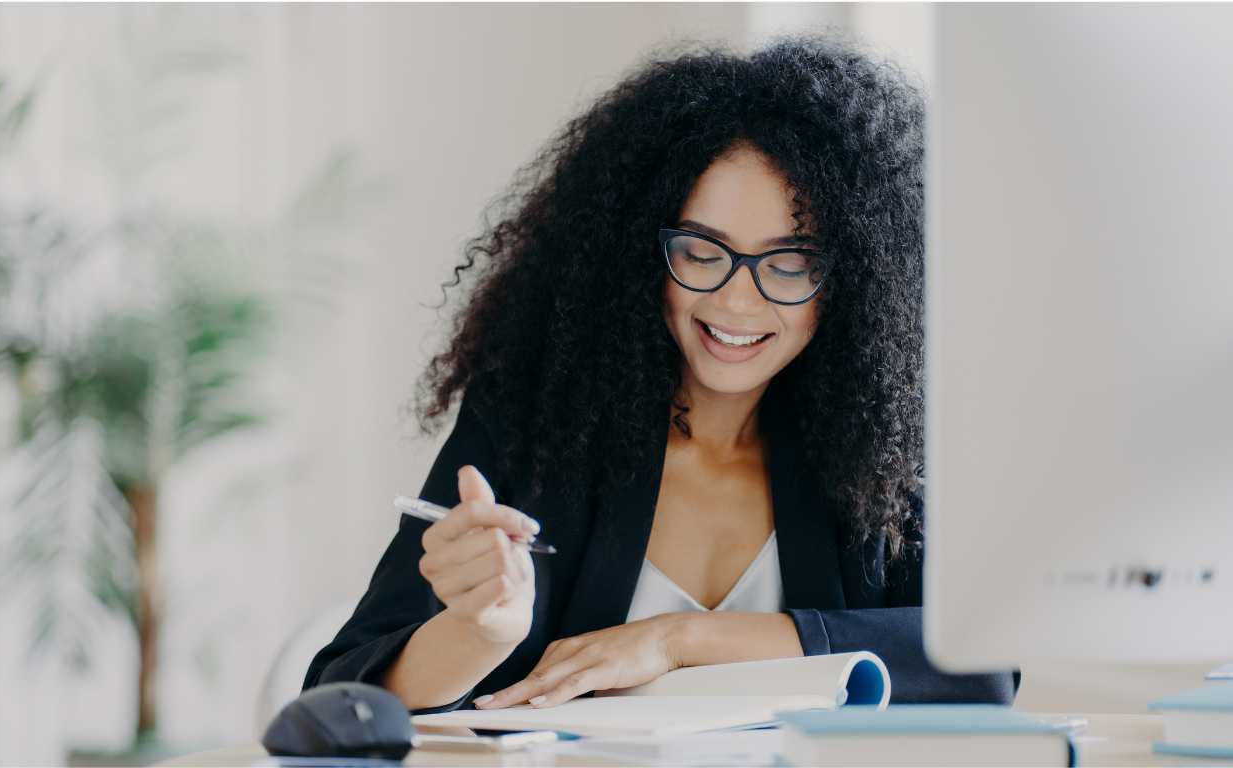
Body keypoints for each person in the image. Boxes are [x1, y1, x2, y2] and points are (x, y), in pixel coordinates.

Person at [304, 37, 1016, 712]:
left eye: (790, 263)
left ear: (854, 281)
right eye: (704, 252)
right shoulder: (536, 423)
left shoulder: (881, 457)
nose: (739, 301)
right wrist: (476, 635)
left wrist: (679, 641)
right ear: (639, 251)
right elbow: (340, 694)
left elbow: (982, 663)